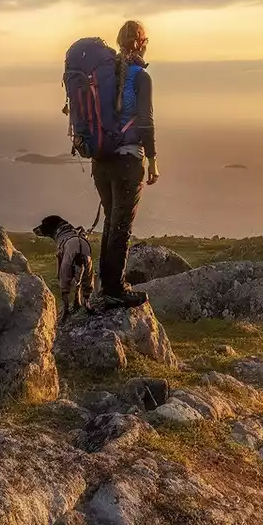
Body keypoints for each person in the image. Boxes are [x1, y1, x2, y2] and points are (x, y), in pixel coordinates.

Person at [91, 19, 158, 310]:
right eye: (146, 41)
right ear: (140, 43)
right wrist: (153, 159)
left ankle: (105, 287)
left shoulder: (106, 74)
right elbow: (145, 121)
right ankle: (114, 289)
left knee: (110, 221)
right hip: (127, 161)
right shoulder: (140, 77)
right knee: (121, 226)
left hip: (100, 160)